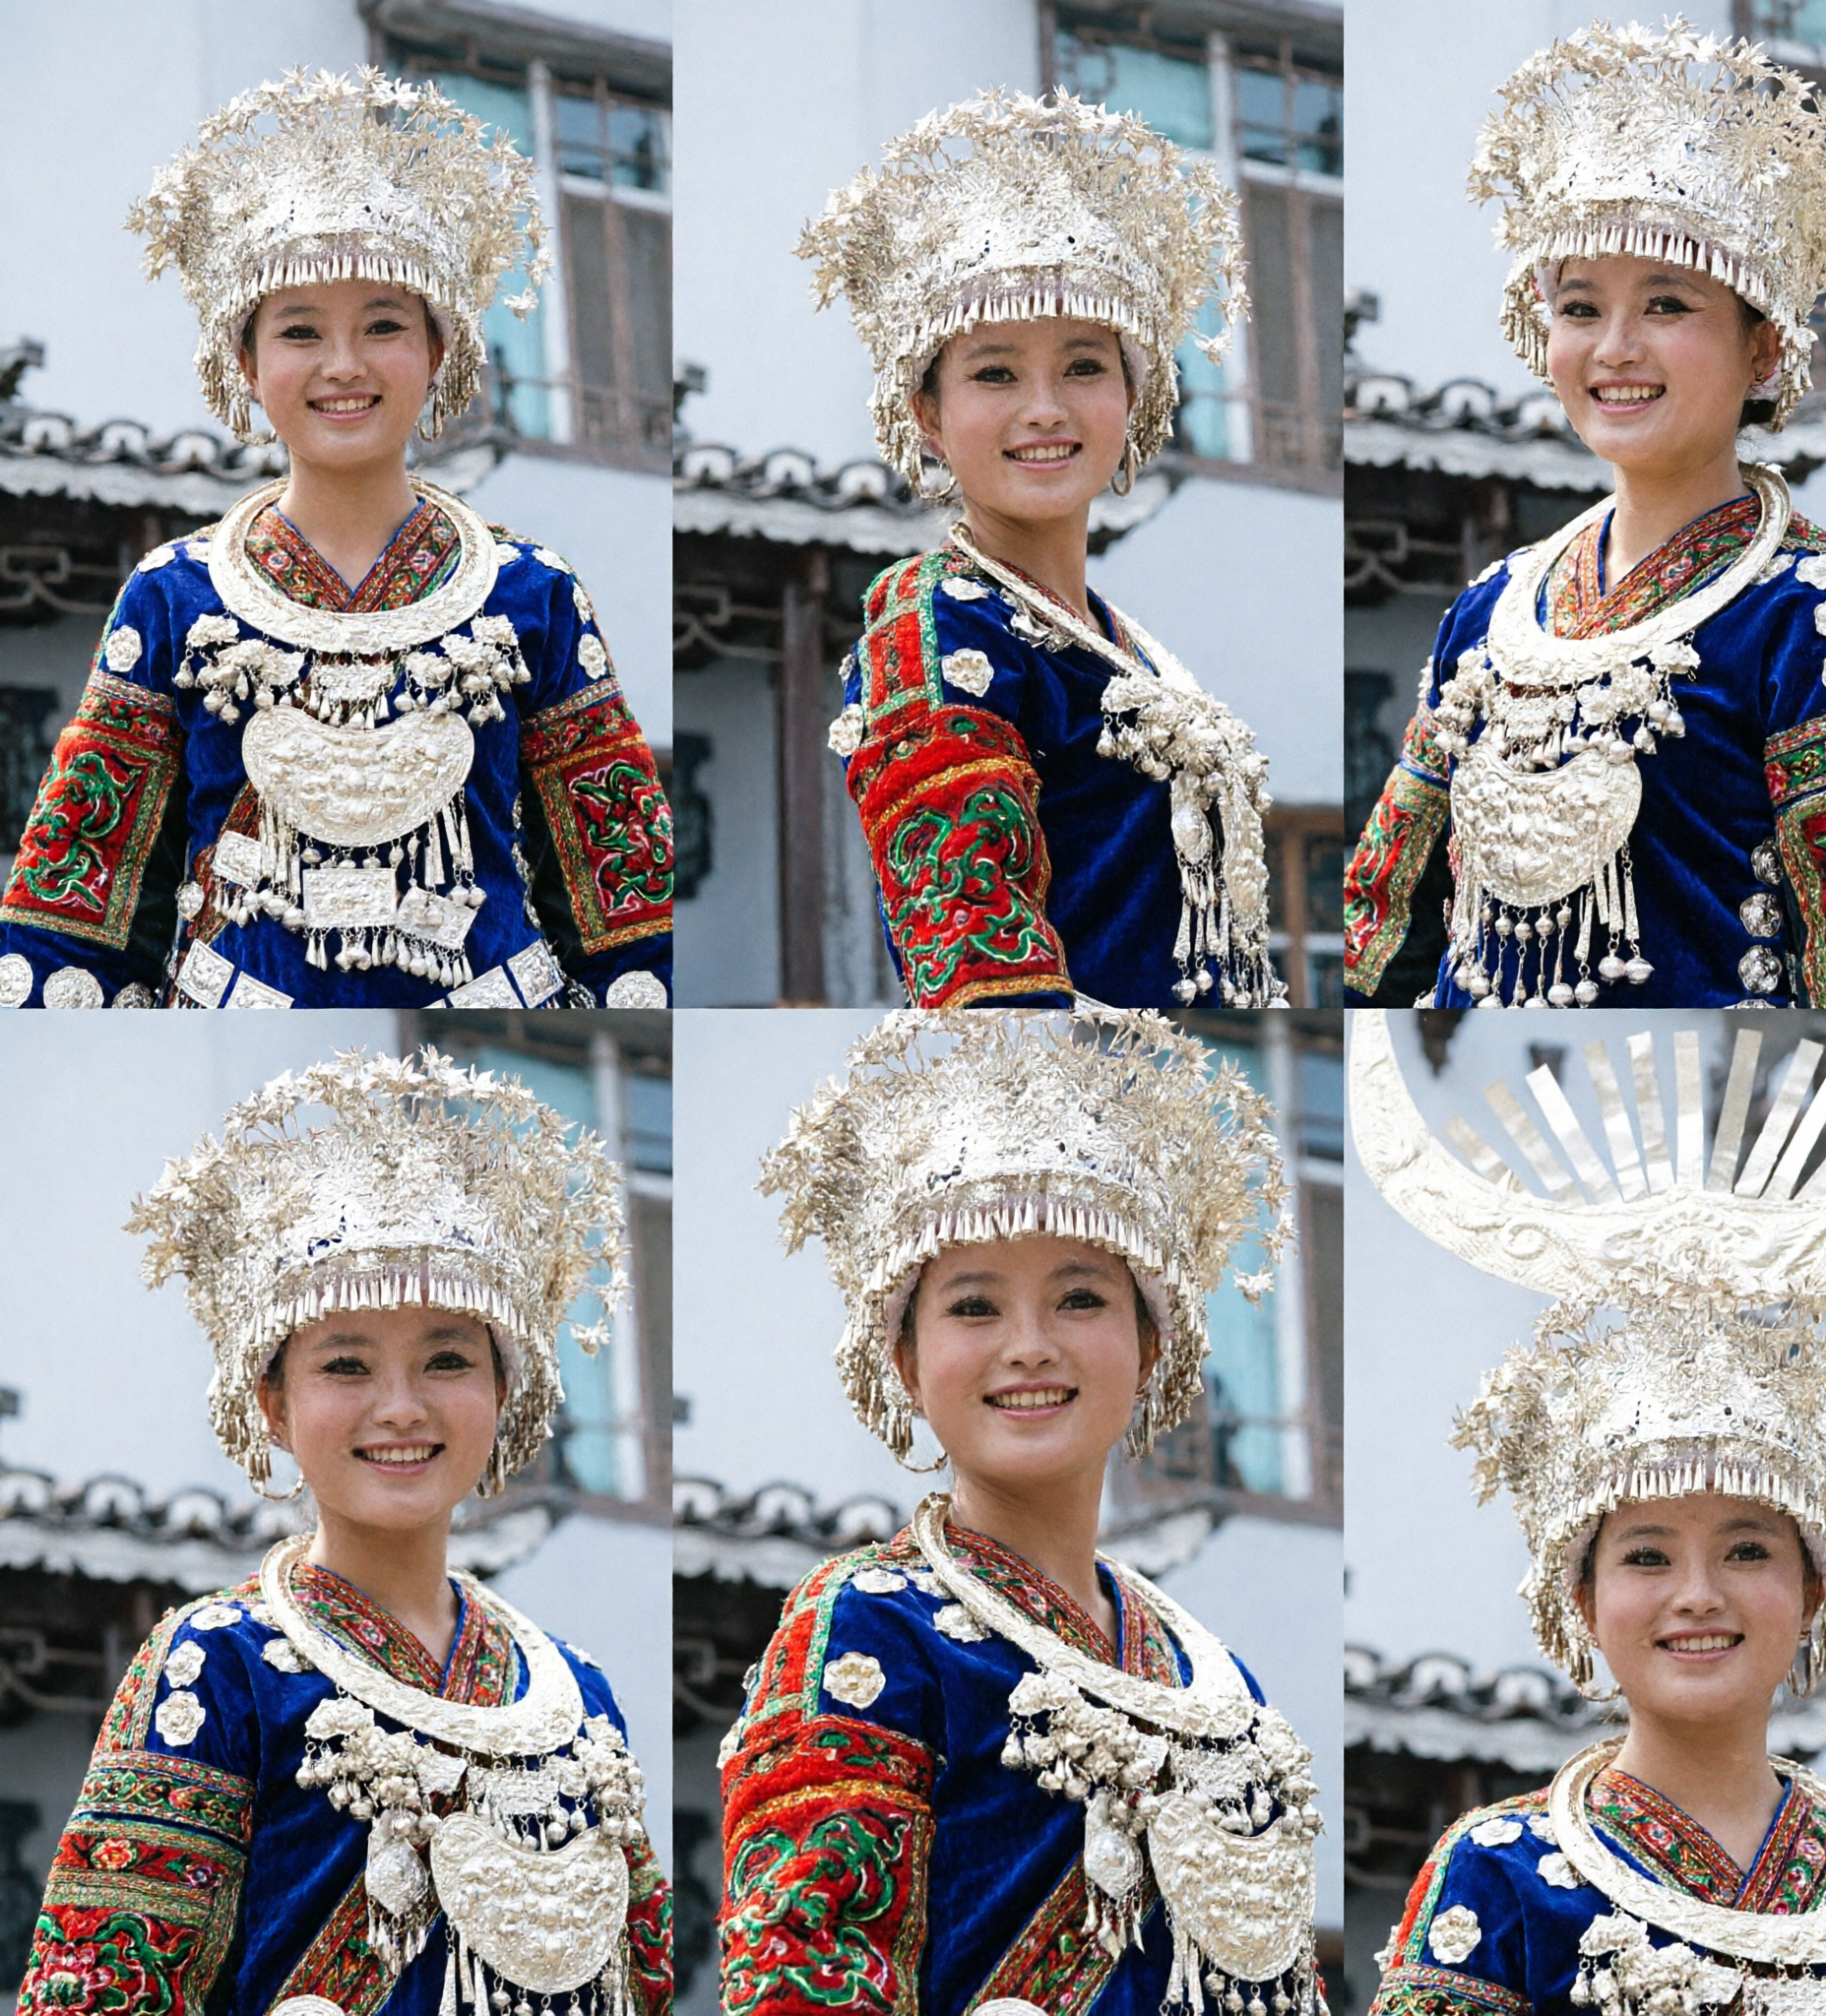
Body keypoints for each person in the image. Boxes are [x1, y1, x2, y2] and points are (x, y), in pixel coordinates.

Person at [1350, 1010, 1826, 2016]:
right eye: (1647, 1554)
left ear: (1814, 1582)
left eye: (1745, 1546)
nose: (1696, 1595)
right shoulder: (1500, 1876)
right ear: (1579, 1592)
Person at [1341, 23, 1826, 1010]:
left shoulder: (1817, 611)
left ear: (1762, 348)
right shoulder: (1485, 612)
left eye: (1667, 304)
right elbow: (1384, 927)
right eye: (1579, 306)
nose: (1614, 348)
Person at [0, 69, 673, 1010]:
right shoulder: (173, 598)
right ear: (247, 360)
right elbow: (74, 918)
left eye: (384, 326)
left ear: (440, 352)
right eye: (302, 330)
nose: (344, 366)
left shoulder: (535, 594)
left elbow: (627, 911)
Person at [19, 1049, 675, 2012]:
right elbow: (97, 1990)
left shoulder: (577, 1690)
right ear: (273, 1404)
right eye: (346, 1364)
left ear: (504, 1391)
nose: (401, 1406)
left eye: (447, 1357)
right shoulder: (214, 1663)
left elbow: (643, 1978)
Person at [720, 1010, 1325, 2012]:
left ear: (1150, 1341)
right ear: (906, 1362)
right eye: (973, 1305)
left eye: (1079, 1297)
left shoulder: (1213, 1681)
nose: (1029, 1343)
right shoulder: (869, 1624)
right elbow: (801, 1977)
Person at [798, 91, 1284, 1010]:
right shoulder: (936, 624)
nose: (1046, 408)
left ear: (1135, 397)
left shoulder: (1117, 638)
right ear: (928, 417)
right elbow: (981, 977)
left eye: (1084, 365)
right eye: (995, 373)